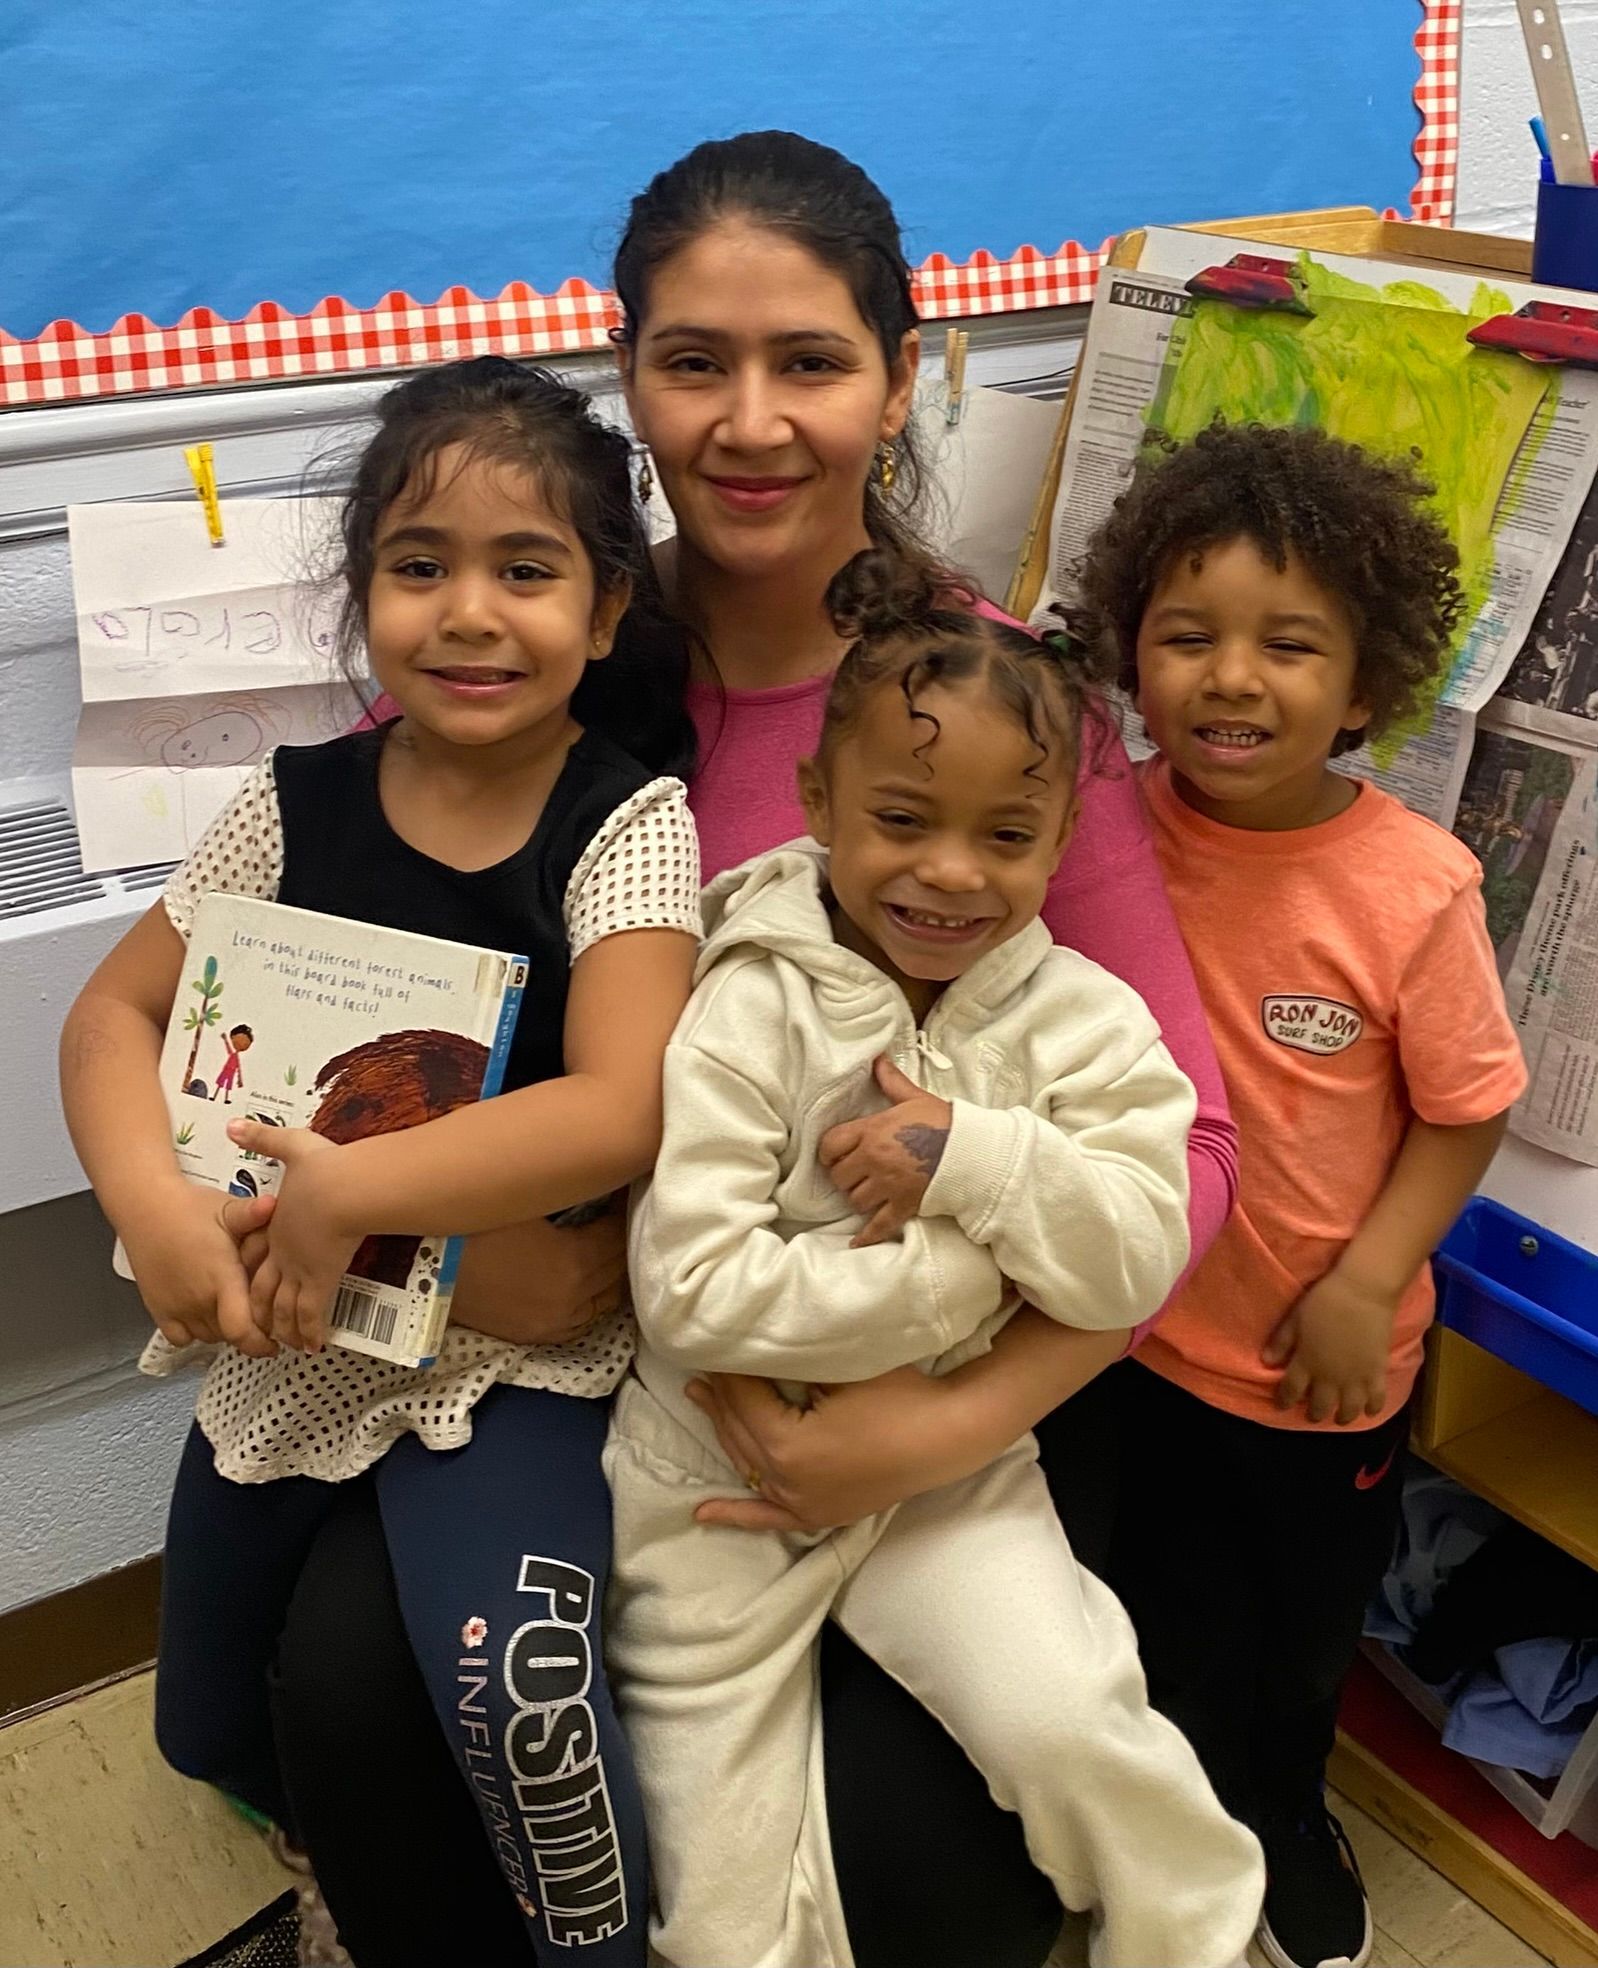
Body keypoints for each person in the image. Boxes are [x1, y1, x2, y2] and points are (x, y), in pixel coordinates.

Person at [229, 132, 1242, 1968]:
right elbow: (328, 1058)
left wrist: (934, 1424)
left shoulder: (996, 715)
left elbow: (1190, 1156)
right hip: (558, 1359)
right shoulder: (516, 647)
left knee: (929, 1863)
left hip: (923, 1387)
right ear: (627, 374)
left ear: (903, 371)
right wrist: (465, 1278)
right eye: (693, 360)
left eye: (809, 362)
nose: (750, 420)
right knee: (368, 1705)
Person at [59, 358, 703, 1968]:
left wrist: (355, 1193)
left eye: (526, 568)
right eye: (419, 567)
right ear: (362, 601)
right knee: (202, 1719)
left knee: (515, 1704)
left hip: (513, 1362)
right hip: (295, 1345)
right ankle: (342, 1856)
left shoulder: (630, 827)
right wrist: (154, 1206)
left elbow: (621, 1104)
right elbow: (110, 1017)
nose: (469, 611)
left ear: (608, 609)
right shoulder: (290, 810)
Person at [607, 548, 1264, 1968]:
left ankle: (1199, 1944)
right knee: (712, 1907)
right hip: (709, 1485)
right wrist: (959, 1284)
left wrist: (973, 1156)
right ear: (818, 802)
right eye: (902, 818)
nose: (950, 875)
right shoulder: (743, 997)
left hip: (953, 1482)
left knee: (1076, 1724)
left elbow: (1135, 1261)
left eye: (1006, 839)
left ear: (1054, 841)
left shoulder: (1079, 1019)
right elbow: (691, 1295)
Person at [1074, 422, 1528, 1968]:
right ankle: (1154, 1840)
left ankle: (1280, 1817)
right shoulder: (1097, 825)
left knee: (1286, 1654)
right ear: (1131, 644)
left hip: (1312, 1371)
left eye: (1287, 644)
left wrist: (1358, 1283)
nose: (1229, 678)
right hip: (1118, 1347)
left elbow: (1466, 1117)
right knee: (1133, 1627)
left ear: (1363, 679)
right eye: (1186, 635)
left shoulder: (1413, 889)